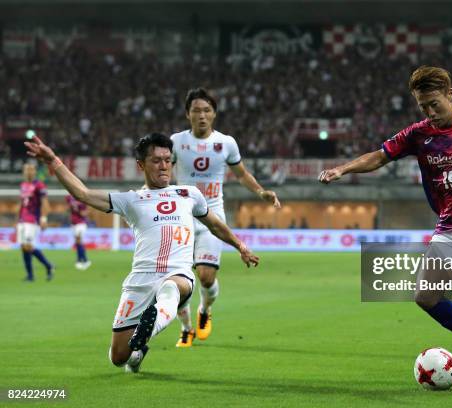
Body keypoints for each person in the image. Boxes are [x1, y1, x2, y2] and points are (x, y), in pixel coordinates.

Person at [319, 66, 452, 387]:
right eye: (422, 106)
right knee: (426, 297)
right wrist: (342, 169)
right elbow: (380, 156)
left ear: (450, 94)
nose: (429, 112)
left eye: (434, 103)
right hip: (449, 228)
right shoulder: (418, 134)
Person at [24, 133, 259, 373]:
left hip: (178, 275)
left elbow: (215, 224)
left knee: (170, 288)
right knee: (118, 357)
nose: (164, 165)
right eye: (156, 160)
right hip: (141, 280)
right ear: (141, 165)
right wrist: (53, 161)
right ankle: (138, 352)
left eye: (168, 160)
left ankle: (151, 325)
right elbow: (82, 193)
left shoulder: (189, 195)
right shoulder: (132, 200)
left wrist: (240, 245)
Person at [170, 88, 280, 348]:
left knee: (206, 278)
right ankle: (186, 329)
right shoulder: (175, 141)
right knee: (174, 278)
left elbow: (241, 174)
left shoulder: (226, 143)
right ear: (188, 114)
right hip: (181, 217)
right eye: (196, 110)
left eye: (207, 110)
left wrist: (261, 192)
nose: (202, 115)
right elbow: (160, 169)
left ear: (214, 114)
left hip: (212, 217)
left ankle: (205, 310)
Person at [17, 163, 54, 281]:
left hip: (32, 219)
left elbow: (45, 202)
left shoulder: (39, 185)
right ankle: (30, 275)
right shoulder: (23, 185)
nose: (29, 171)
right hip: (22, 220)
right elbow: (22, 204)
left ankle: (48, 265)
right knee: (23, 247)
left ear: (35, 172)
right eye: (26, 169)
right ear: (23, 172)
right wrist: (17, 220)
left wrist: (43, 218)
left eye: (31, 169)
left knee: (28, 246)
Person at [66, 194, 92, 270]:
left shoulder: (82, 196)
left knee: (78, 240)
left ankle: (80, 260)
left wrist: (84, 213)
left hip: (81, 223)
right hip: (73, 223)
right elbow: (68, 209)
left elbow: (87, 210)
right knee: (78, 242)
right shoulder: (69, 197)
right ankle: (84, 260)